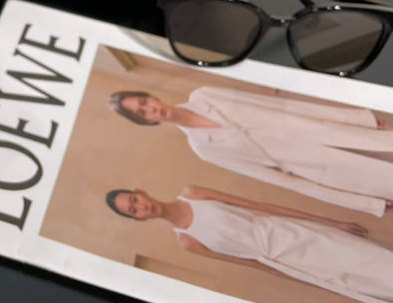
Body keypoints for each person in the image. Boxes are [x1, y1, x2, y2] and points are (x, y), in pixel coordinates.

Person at [109, 86, 393, 217]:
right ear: (147, 122)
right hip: (325, 169)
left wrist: (357, 119)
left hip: (329, 132)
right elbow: (283, 180)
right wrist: (368, 204)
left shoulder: (205, 95)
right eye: (143, 113)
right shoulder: (203, 148)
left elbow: (282, 106)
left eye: (144, 102)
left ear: (151, 96)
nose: (151, 109)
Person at [106, 184, 393, 303]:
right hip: (286, 261)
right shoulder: (187, 242)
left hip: (294, 233)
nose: (142, 207)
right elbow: (254, 265)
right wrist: (320, 284)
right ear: (138, 220)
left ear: (140, 192)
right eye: (134, 211)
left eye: (135, 200)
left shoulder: (193, 193)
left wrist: (333, 223)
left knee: (371, 257)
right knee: (362, 283)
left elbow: (262, 207)